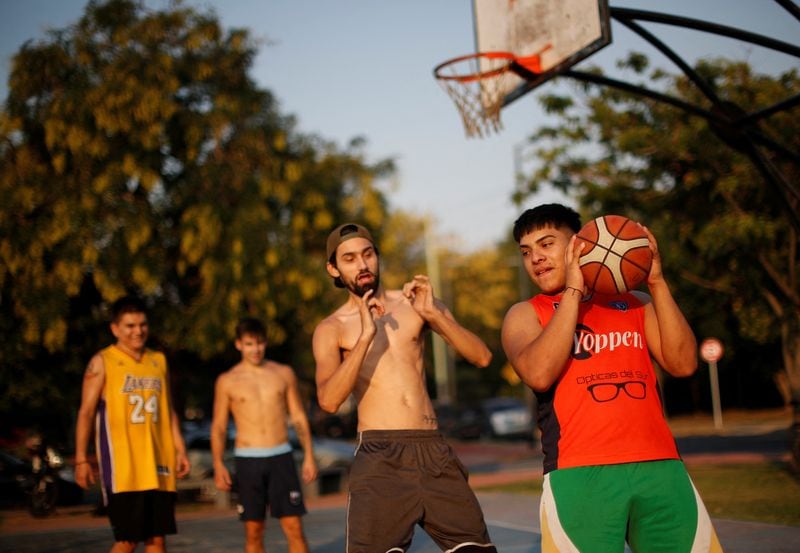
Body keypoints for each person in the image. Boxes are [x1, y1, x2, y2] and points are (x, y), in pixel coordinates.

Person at [501, 204, 723, 553]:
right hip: (578, 473)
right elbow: (539, 374)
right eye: (526, 252)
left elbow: (682, 364)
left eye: (546, 244)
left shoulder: (635, 302)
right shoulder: (525, 314)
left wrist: (657, 282)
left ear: (580, 244)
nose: (536, 258)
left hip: (661, 465)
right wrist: (573, 291)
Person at [313, 222, 498, 553]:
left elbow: (482, 356)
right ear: (334, 269)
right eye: (350, 258)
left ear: (378, 257)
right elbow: (328, 400)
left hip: (432, 450)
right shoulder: (332, 328)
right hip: (380, 455)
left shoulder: (416, 303)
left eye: (368, 254)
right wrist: (366, 336)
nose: (362, 264)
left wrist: (434, 315)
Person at [74, 295, 191, 553]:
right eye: (130, 326)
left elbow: (168, 408)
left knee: (157, 539)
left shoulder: (158, 360)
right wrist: (81, 459)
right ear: (115, 328)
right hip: (124, 468)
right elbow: (86, 412)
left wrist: (180, 448)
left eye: (142, 324)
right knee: (128, 541)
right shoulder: (102, 361)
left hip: (158, 464)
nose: (138, 331)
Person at [211, 317, 318, 553]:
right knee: (254, 530)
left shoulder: (283, 373)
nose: (255, 349)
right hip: (248, 460)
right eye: (249, 344)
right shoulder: (227, 380)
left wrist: (309, 455)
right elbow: (219, 426)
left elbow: (298, 416)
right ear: (239, 344)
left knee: (294, 527)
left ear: (265, 343)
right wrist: (218, 463)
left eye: (259, 343)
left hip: (281, 456)